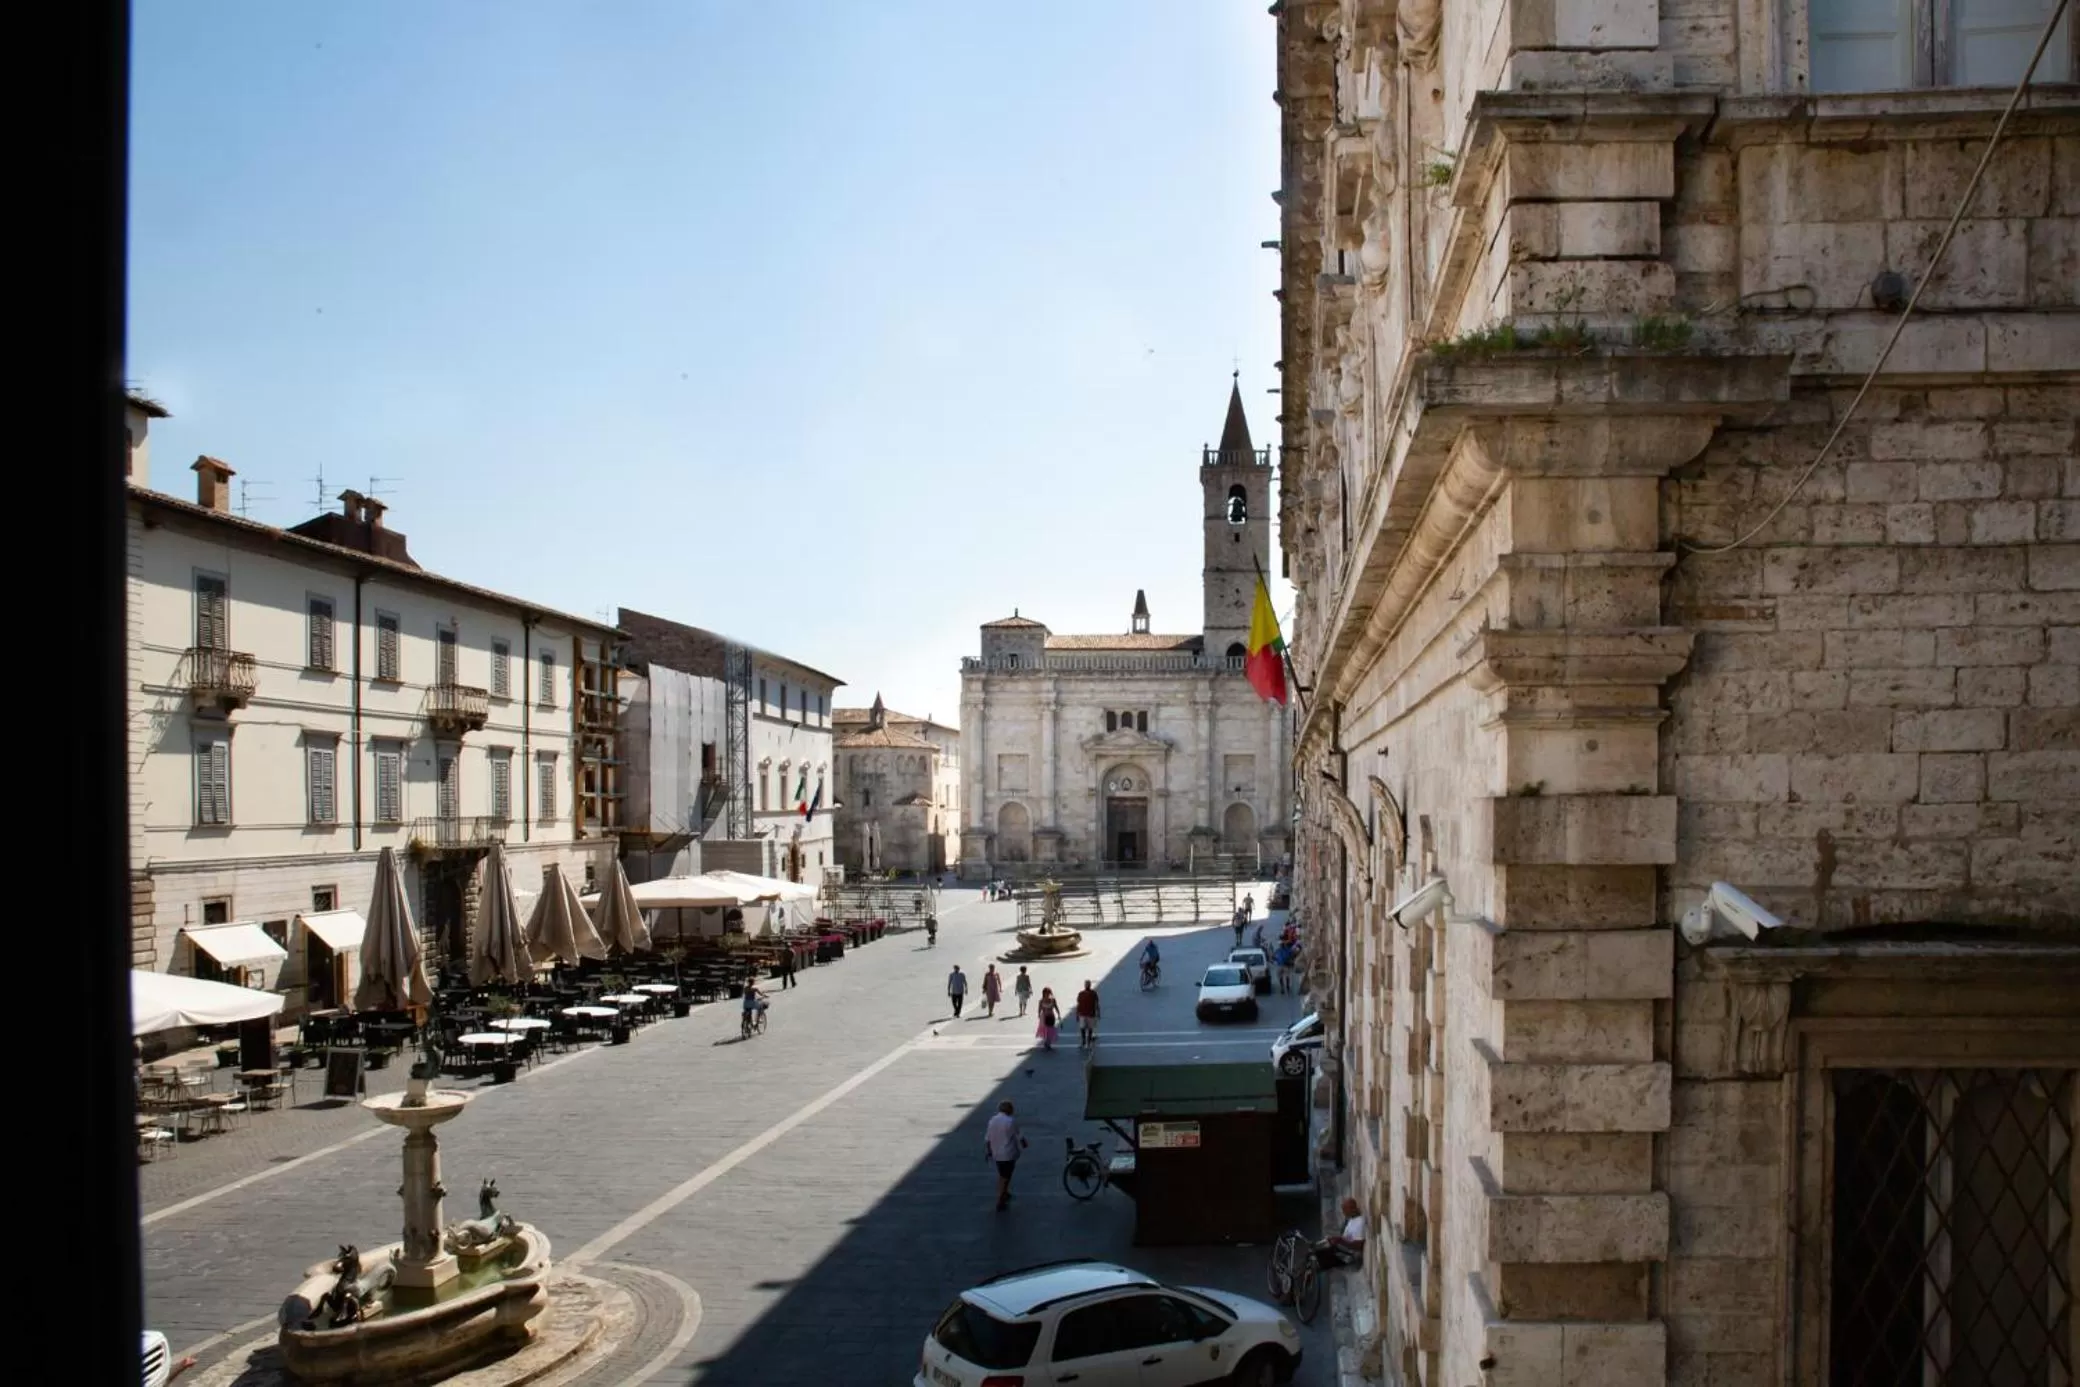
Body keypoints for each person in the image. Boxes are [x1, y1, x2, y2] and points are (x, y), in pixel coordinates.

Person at [984, 1099, 1027, 1211]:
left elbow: (988, 1139)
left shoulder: (992, 1120)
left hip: (996, 1152)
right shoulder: (1010, 1121)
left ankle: (1005, 1193)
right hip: (1008, 1153)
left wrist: (989, 1151)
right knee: (1006, 1176)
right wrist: (1024, 1144)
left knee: (1002, 1174)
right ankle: (1000, 1199)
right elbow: (1019, 1136)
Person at [1319, 1196, 1366, 1267]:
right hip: (1343, 1248)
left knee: (1321, 1257)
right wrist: (1335, 1239)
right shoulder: (1351, 1219)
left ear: (1352, 1209)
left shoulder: (1360, 1222)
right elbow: (1346, 1237)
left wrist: (1341, 1241)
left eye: (1345, 1211)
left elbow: (1358, 1246)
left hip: (1350, 1254)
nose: (1344, 1213)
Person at [1075, 980, 1100, 1048]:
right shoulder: (1081, 994)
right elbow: (1078, 1004)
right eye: (1086, 984)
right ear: (1084, 985)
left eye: (1088, 984)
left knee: (1090, 1029)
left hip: (1091, 1014)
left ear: (1090, 985)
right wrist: (1077, 1014)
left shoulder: (1094, 993)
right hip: (1083, 1014)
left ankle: (1088, 1042)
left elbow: (1096, 1003)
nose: (1087, 985)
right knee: (1082, 1028)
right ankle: (1083, 1041)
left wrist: (1098, 1012)